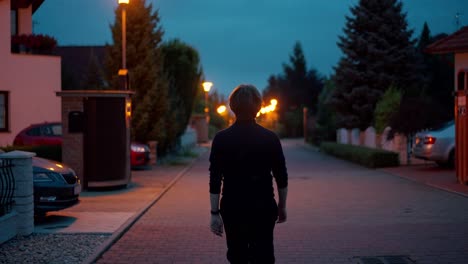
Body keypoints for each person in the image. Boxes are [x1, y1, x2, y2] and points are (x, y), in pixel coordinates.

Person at [209, 84, 288, 264]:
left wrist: (214, 213)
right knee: (264, 255)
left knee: (237, 255)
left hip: (233, 207)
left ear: (232, 107)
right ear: (258, 107)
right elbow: (281, 176)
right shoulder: (270, 138)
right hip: (263, 206)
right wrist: (281, 206)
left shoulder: (221, 139)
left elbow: (215, 179)